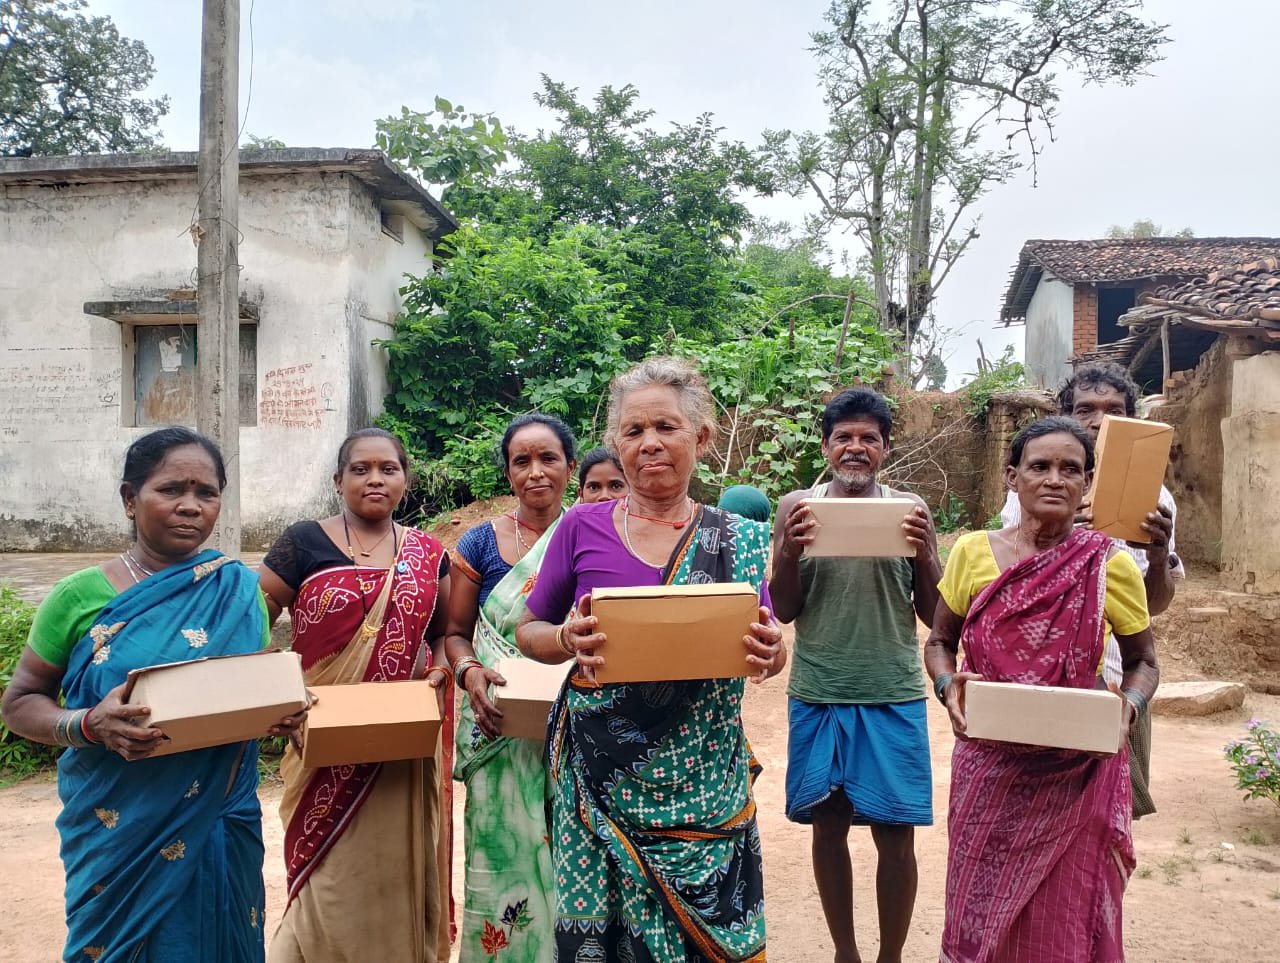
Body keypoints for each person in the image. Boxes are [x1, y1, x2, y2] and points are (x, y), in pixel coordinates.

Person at [515, 356, 787, 962]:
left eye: (666, 427)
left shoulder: (737, 539)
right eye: (634, 432)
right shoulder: (581, 527)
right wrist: (565, 640)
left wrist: (772, 652)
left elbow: (764, 643)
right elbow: (528, 629)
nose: (650, 444)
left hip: (706, 786)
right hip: (600, 780)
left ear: (702, 438)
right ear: (616, 442)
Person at [1, 427, 304, 963]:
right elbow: (20, 702)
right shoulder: (79, 596)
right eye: (171, 489)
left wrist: (278, 716)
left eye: (206, 493)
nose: (190, 505)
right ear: (129, 499)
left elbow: (247, 699)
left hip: (217, 818)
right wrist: (88, 724)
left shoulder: (238, 593)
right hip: (116, 825)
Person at [927, 416, 1159, 962]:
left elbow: (1144, 662)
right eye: (1040, 466)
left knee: (1065, 914)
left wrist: (1129, 706)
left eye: (1071, 469)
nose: (1055, 479)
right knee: (975, 905)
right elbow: (940, 640)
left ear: (1086, 484)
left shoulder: (1109, 564)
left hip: (1077, 770)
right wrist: (946, 685)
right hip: (990, 767)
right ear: (1013, 476)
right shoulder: (972, 553)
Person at [258, 428, 453, 963]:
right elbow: (253, 625)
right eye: (360, 469)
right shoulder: (303, 542)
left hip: (398, 741)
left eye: (388, 469)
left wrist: (436, 671)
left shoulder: (429, 554)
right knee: (326, 873)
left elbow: (440, 635)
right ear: (338, 480)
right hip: (320, 739)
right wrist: (273, 693)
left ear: (405, 479)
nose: (375, 479)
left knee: (392, 868)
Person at [771, 386, 942, 963]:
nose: (855, 447)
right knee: (829, 825)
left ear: (886, 449)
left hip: (892, 691)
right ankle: (845, 952)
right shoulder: (798, 507)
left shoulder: (910, 509)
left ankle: (889, 958)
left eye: (869, 438)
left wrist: (923, 554)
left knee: (896, 836)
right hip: (819, 689)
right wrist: (789, 554)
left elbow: (933, 614)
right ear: (825, 446)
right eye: (844, 436)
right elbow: (786, 608)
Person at [1000, 361, 1181, 818]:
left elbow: (1153, 607)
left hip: (1120, 684)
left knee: (1111, 820)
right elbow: (1016, 588)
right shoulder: (1032, 490)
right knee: (1031, 809)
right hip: (1040, 680)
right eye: (1085, 410)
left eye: (1113, 410)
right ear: (1063, 418)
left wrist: (1158, 556)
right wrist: (1059, 533)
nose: (1098, 421)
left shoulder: (1155, 499)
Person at [442, 413, 578, 962]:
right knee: (503, 859)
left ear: (570, 465)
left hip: (575, 723)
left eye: (548, 458)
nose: (536, 472)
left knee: (573, 853)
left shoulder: (594, 531)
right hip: (501, 725)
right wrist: (470, 672)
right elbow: (454, 633)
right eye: (522, 461)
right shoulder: (480, 542)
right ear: (508, 471)